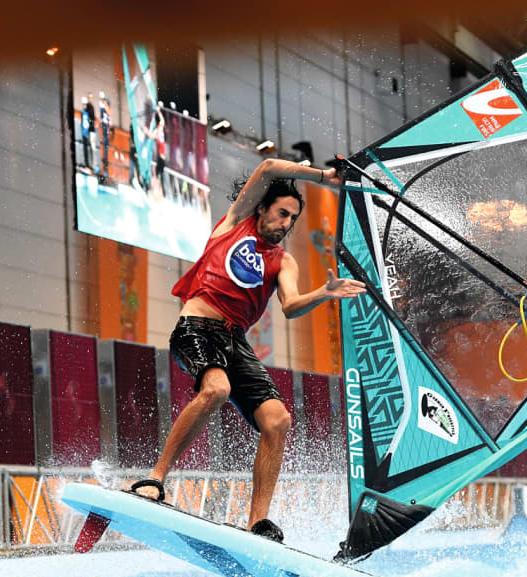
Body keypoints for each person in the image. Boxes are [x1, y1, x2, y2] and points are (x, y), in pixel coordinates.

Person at [129, 158, 365, 541]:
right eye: (282, 214)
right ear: (261, 209)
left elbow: (289, 307)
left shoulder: (283, 261)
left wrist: (324, 293)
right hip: (197, 328)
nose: (287, 224)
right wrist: (323, 178)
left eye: (293, 219)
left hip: (235, 341)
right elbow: (270, 166)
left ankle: (257, 522)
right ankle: (154, 479)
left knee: (278, 420)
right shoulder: (234, 223)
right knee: (217, 390)